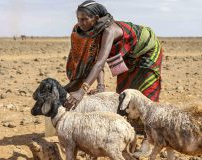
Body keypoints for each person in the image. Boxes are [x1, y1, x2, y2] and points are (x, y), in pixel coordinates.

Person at [64, 0, 163, 157]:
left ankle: (148, 141)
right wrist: (101, 86)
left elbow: (100, 62)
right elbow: (94, 60)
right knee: (124, 95)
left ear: (96, 18)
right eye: (78, 19)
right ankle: (130, 135)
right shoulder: (92, 32)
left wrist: (82, 91)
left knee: (144, 97)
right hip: (127, 56)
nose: (80, 23)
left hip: (147, 52)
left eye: (84, 19)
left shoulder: (109, 30)